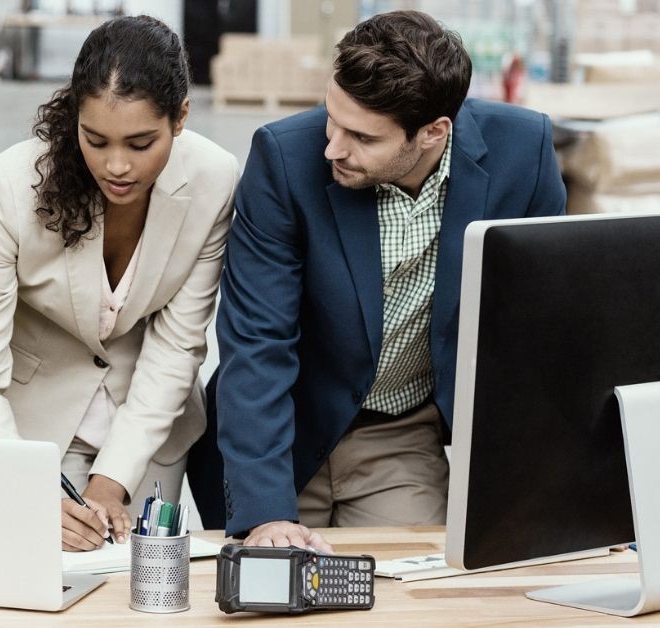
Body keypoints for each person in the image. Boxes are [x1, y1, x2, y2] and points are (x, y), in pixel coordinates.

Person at [199, 10, 566, 548]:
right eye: (331, 118)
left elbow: (538, 340)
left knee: (411, 600)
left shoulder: (523, 153)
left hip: (398, 436)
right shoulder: (283, 159)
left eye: (361, 136)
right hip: (280, 430)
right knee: (265, 593)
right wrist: (266, 515)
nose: (333, 148)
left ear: (433, 133)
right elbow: (257, 342)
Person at [0, 15, 237, 552]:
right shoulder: (9, 187)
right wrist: (24, 489)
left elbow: (178, 347)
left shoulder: (214, 179)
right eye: (96, 140)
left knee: (139, 588)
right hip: (28, 433)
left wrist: (112, 482)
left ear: (181, 118)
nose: (117, 165)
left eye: (141, 142)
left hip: (148, 434)